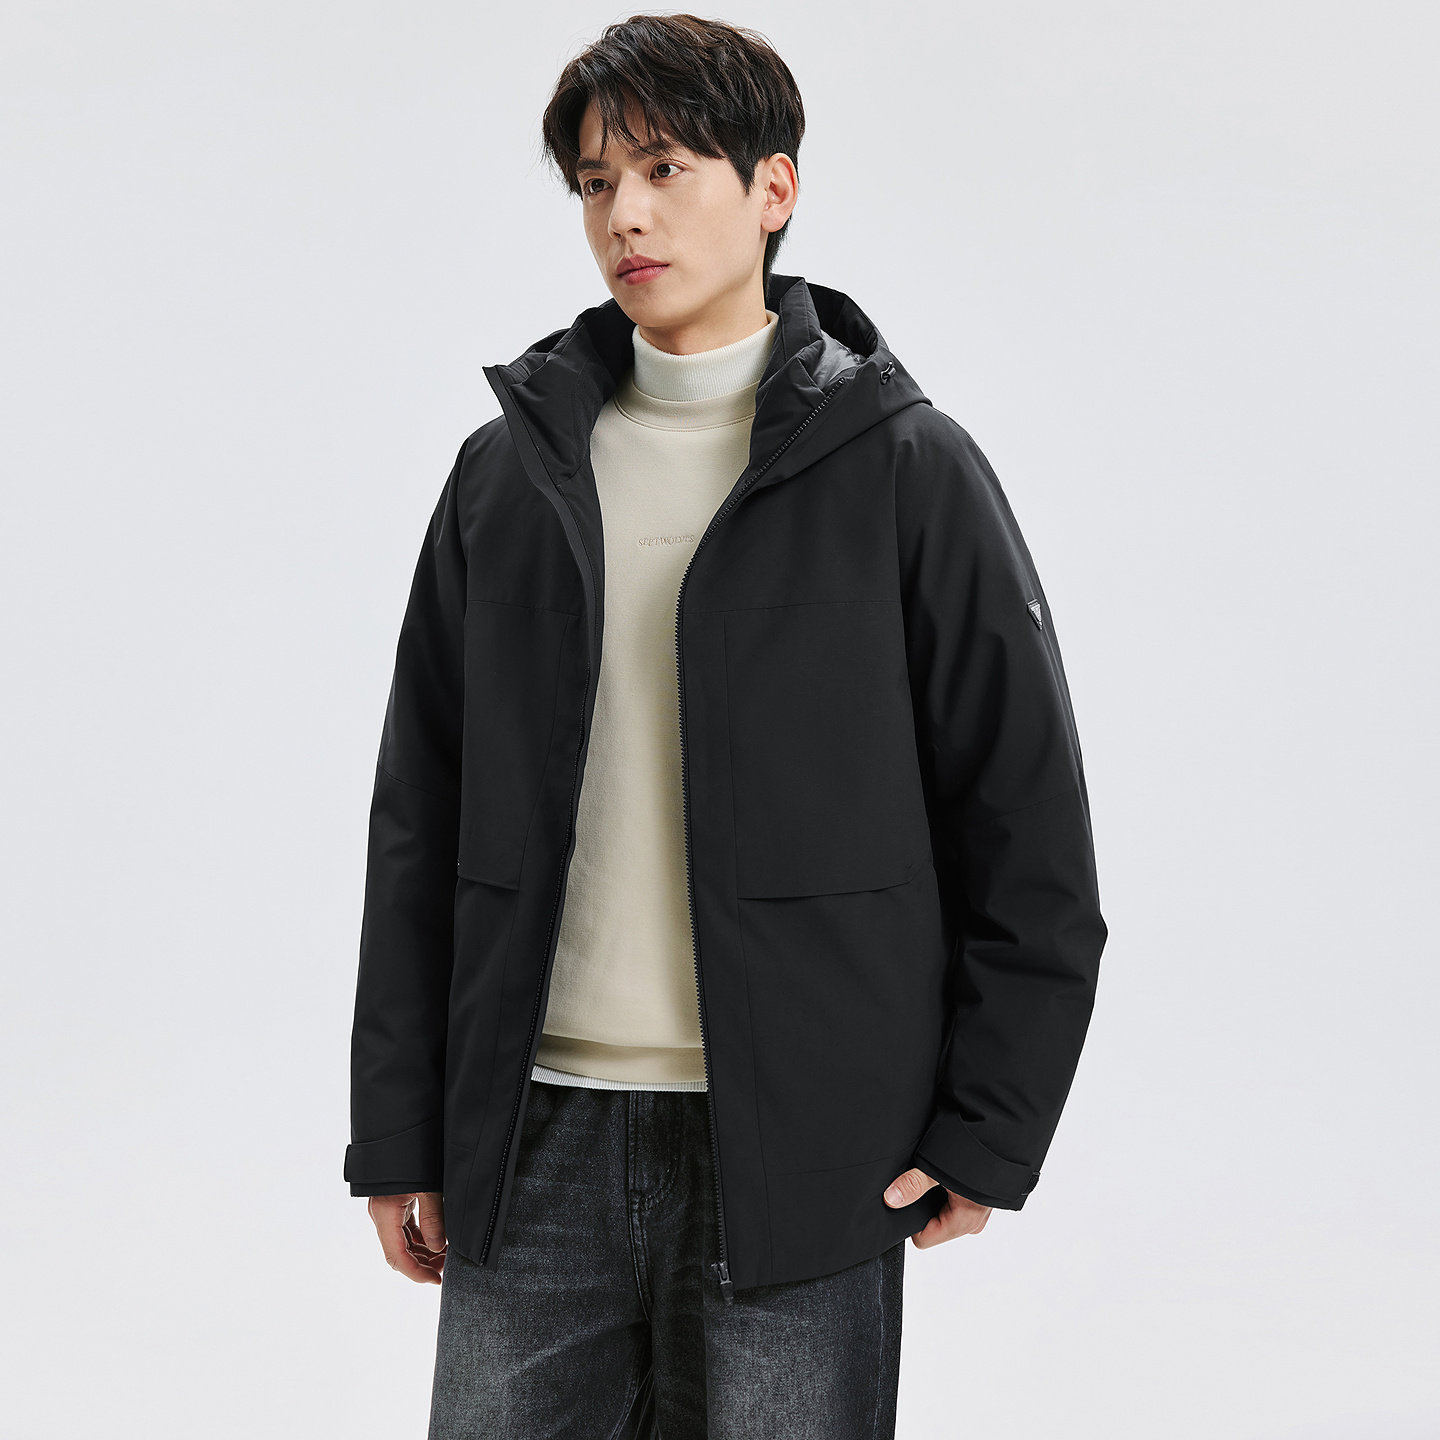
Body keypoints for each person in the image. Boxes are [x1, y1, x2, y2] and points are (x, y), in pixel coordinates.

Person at [343, 13, 1108, 1438]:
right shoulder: (508, 479)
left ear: (773, 188)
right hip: (531, 1134)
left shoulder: (907, 471)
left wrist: (989, 1128)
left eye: (665, 170)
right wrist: (398, 1130)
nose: (623, 216)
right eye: (594, 183)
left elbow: (1027, 830)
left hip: (807, 1142)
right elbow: (419, 817)